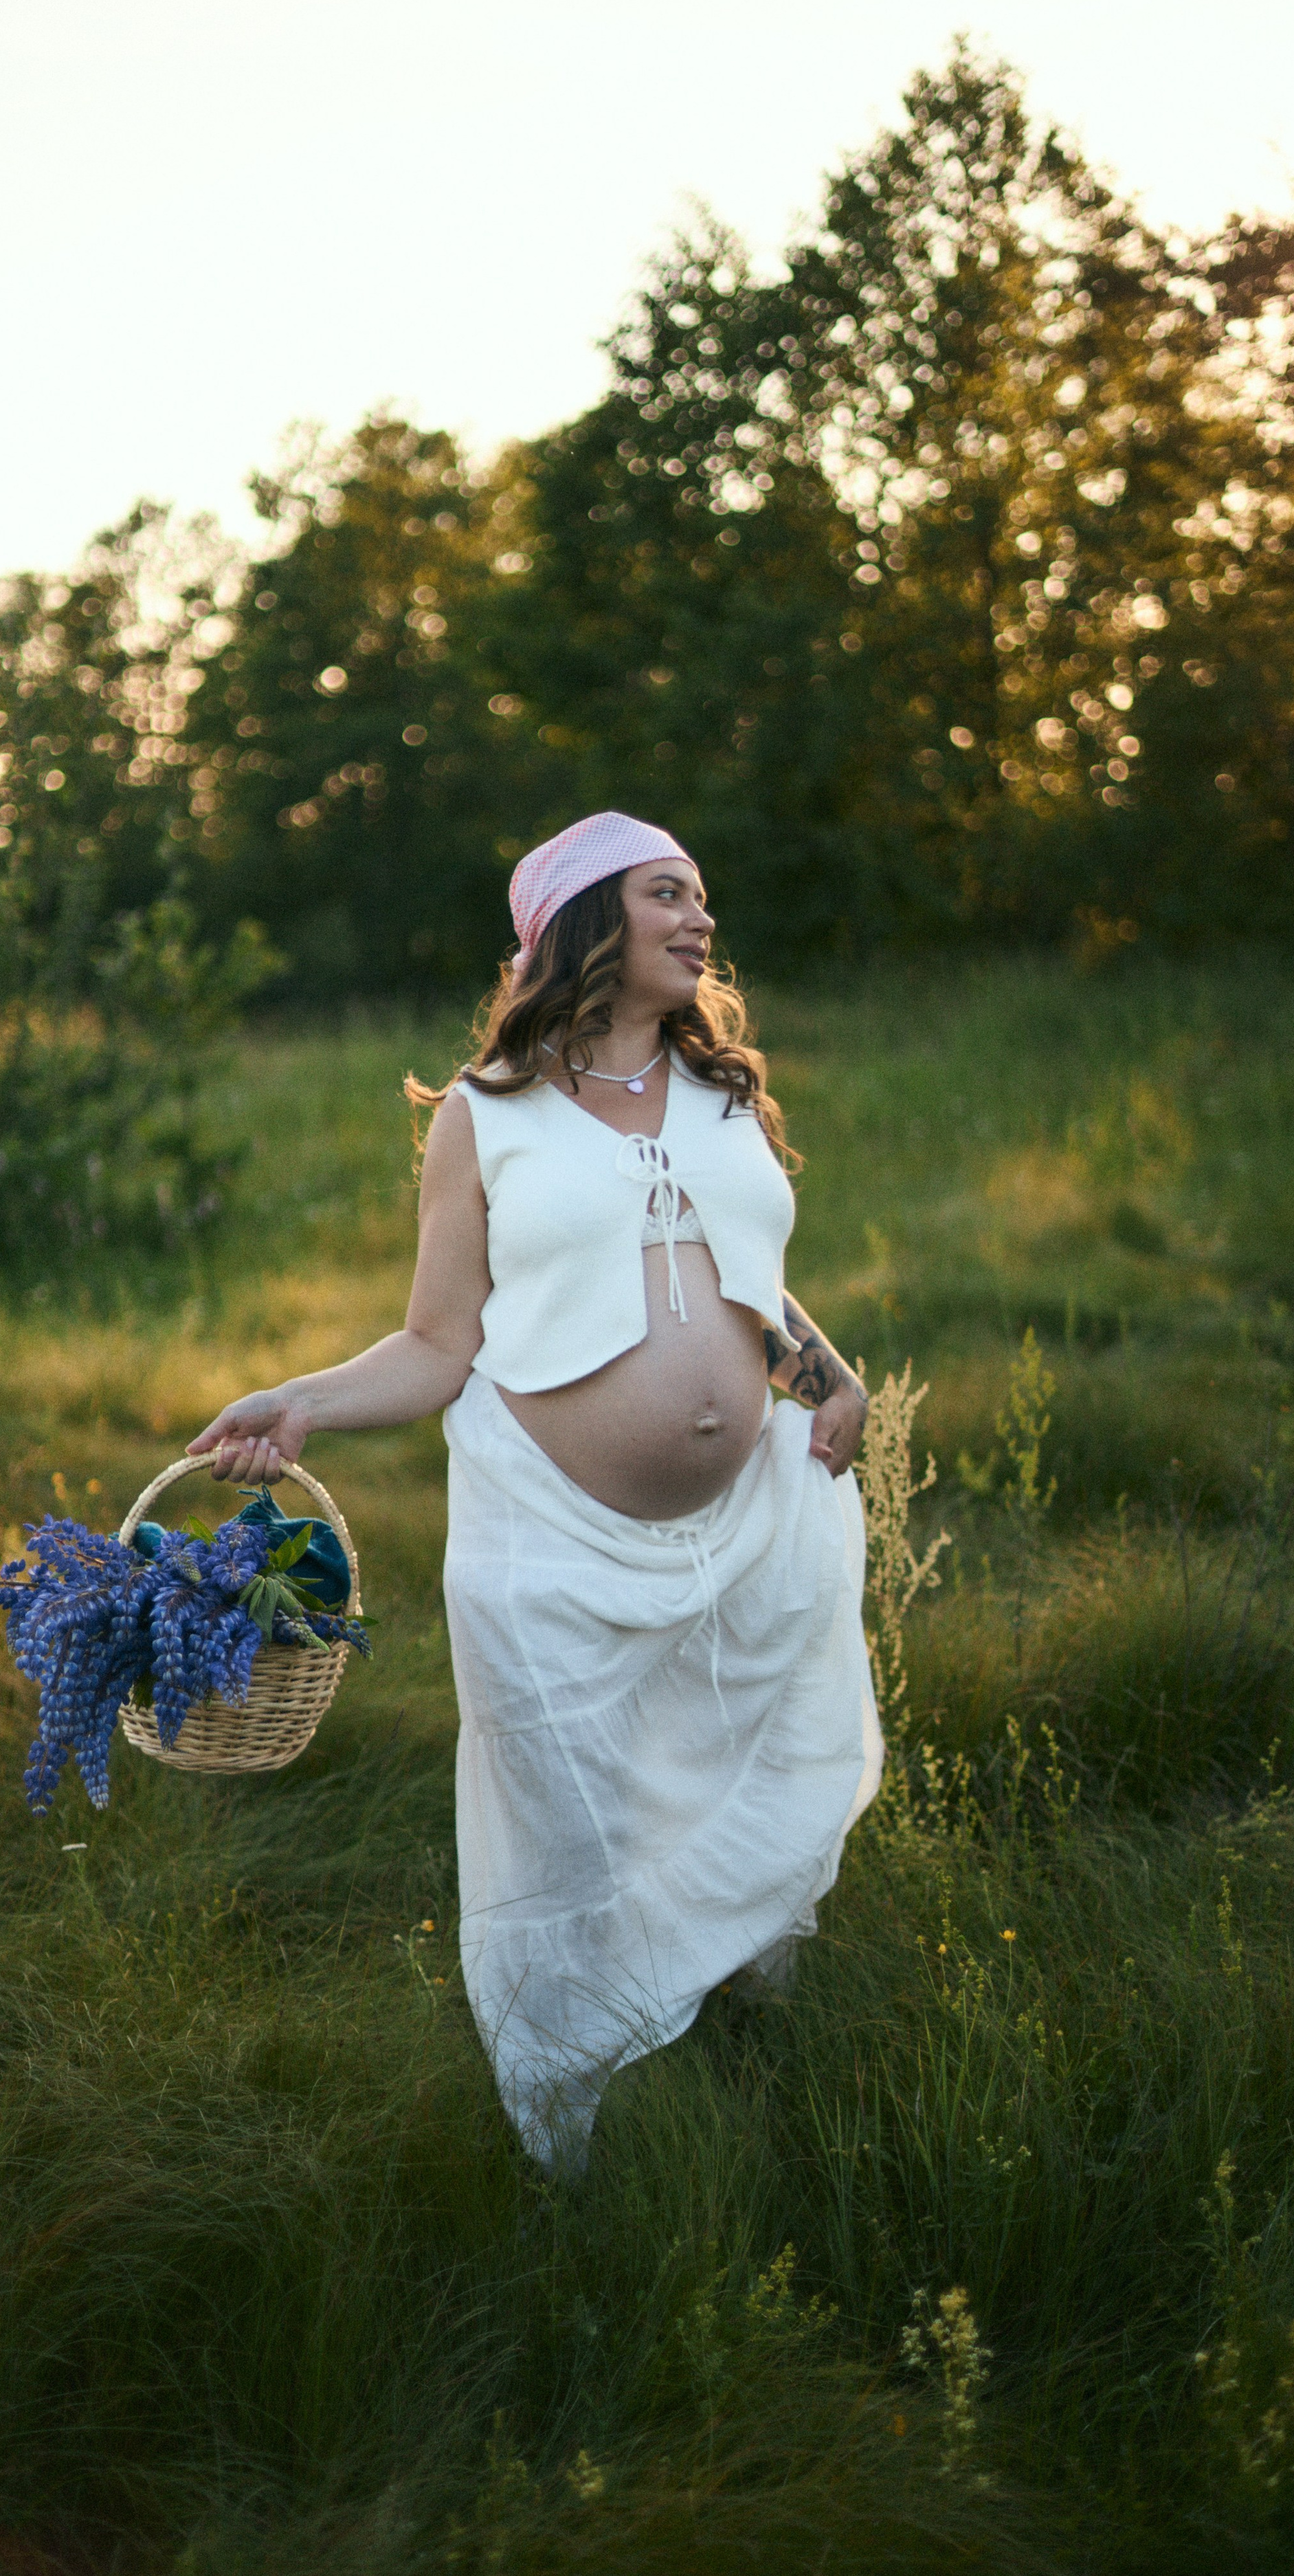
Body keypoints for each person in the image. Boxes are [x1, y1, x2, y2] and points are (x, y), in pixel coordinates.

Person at [188, 811, 880, 2169]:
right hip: (551, 1534)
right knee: (576, 1837)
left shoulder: (725, 1096)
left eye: (701, 901)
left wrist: (829, 1378)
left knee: (755, 1765)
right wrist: (304, 1403)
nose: (699, 923)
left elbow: (741, 1267)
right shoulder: (482, 1117)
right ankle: (574, 2136)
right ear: (582, 925)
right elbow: (438, 1345)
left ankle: (752, 2060)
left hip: (746, 1517)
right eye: (666, 896)